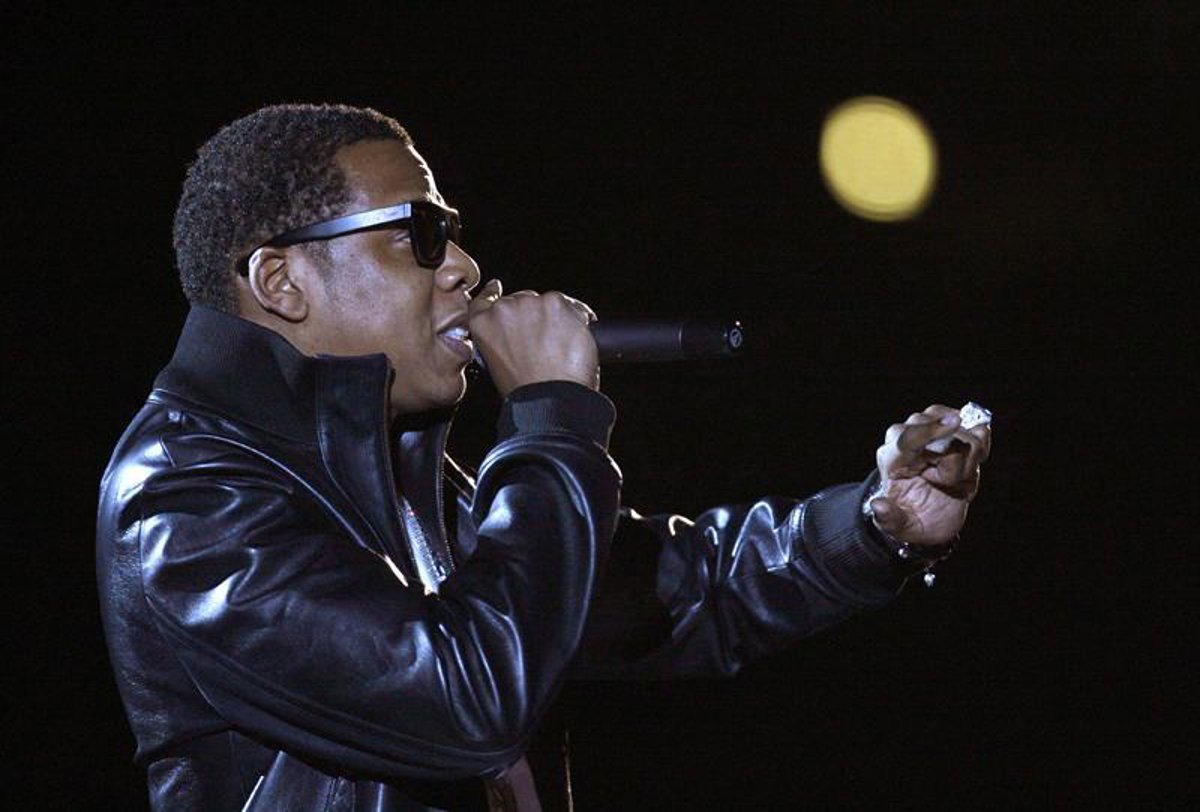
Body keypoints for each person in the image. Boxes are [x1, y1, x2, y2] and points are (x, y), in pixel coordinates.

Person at [97, 103, 991, 811]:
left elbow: (678, 596)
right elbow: (463, 702)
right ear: (280, 281)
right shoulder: (186, 495)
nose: (462, 267)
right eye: (420, 234)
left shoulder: (402, 481)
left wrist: (877, 525)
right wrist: (552, 421)